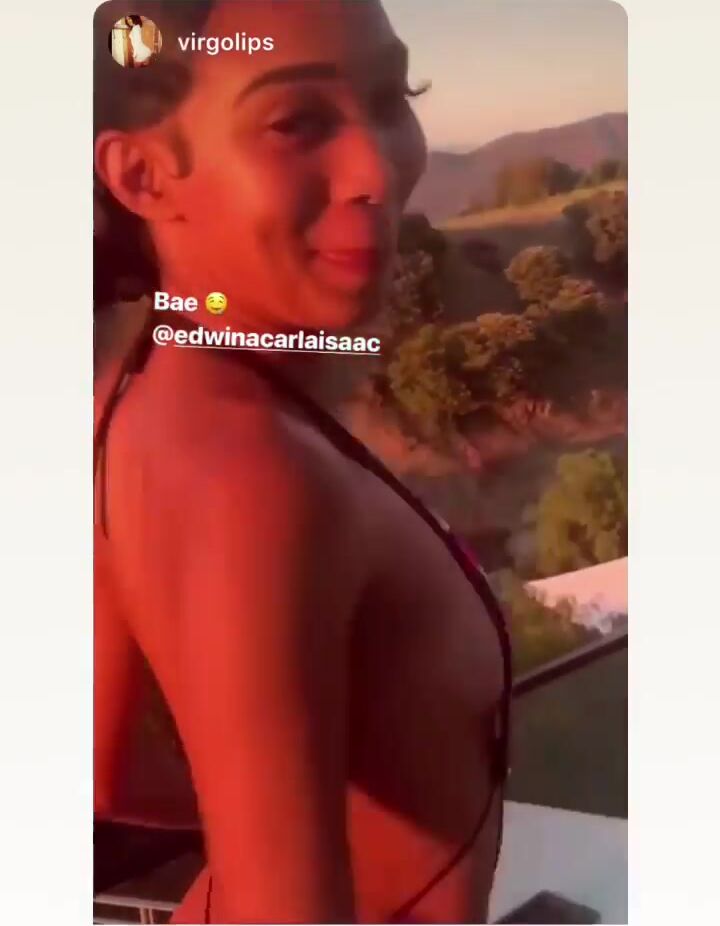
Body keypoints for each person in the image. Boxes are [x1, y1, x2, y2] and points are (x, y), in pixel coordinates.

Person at [93, 1, 511, 922]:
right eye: (296, 122)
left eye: (394, 95)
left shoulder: (142, 388)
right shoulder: (243, 471)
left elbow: (104, 766)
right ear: (144, 175)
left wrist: (283, 808)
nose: (378, 170)